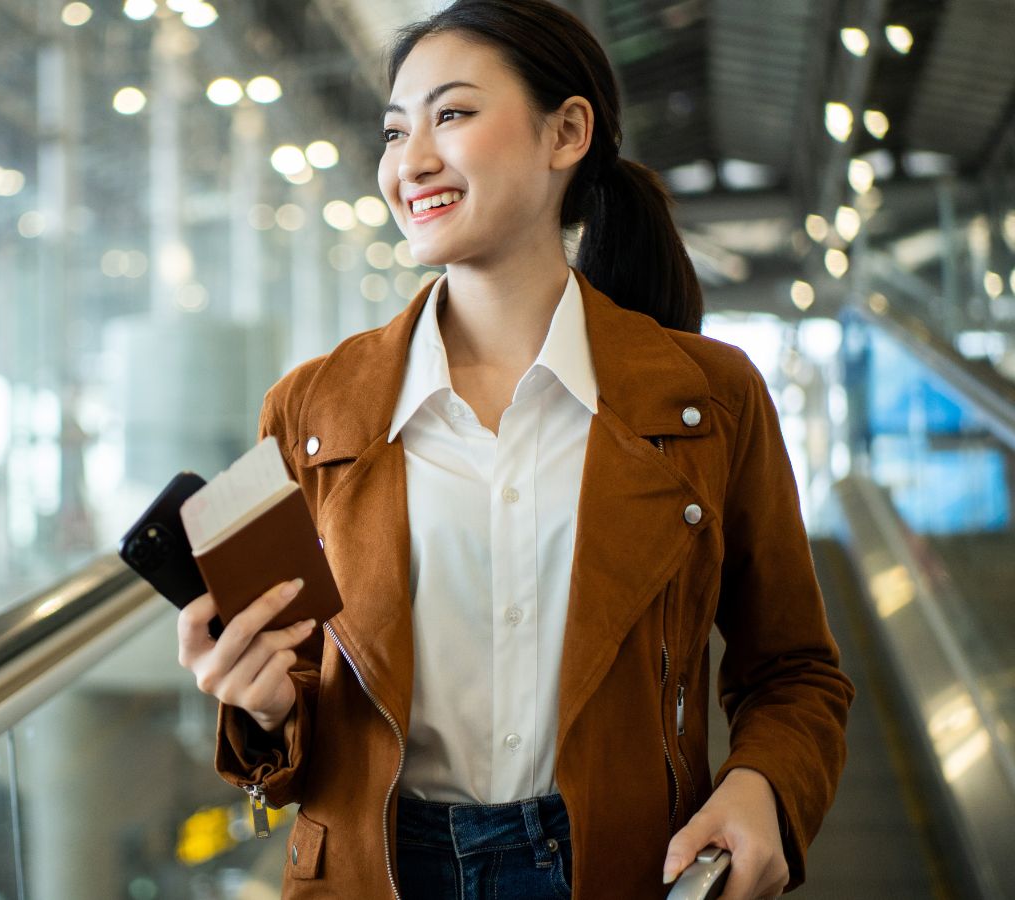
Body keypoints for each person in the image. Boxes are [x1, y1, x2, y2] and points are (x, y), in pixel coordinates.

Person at [173, 2, 855, 898]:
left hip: (621, 869)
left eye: (452, 114)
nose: (411, 161)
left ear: (566, 132)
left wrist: (763, 785)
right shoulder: (311, 410)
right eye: (394, 131)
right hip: (374, 875)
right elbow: (300, 707)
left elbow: (794, 671)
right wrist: (263, 705)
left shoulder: (707, 398)